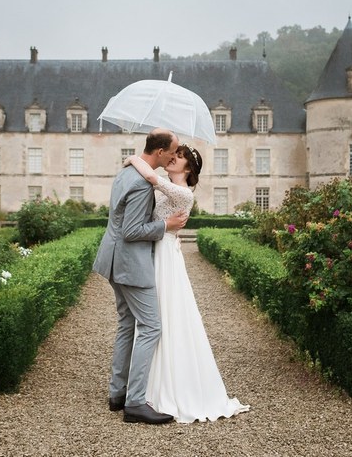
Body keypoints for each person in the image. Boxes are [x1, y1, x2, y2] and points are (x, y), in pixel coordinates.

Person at [125, 144, 250, 423]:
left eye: (179, 157)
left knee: (165, 315)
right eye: (174, 154)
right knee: (157, 316)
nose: (172, 158)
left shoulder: (181, 191)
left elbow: (150, 178)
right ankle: (145, 386)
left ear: (188, 169)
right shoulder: (170, 187)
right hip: (162, 250)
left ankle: (163, 387)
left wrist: (134, 157)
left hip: (166, 256)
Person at [92, 128, 188, 425]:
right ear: (160, 152)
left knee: (126, 324)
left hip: (112, 259)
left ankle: (116, 394)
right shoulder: (142, 185)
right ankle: (135, 403)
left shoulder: (126, 171)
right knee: (151, 327)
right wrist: (166, 226)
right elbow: (132, 231)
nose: (175, 156)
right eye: (172, 151)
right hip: (130, 265)